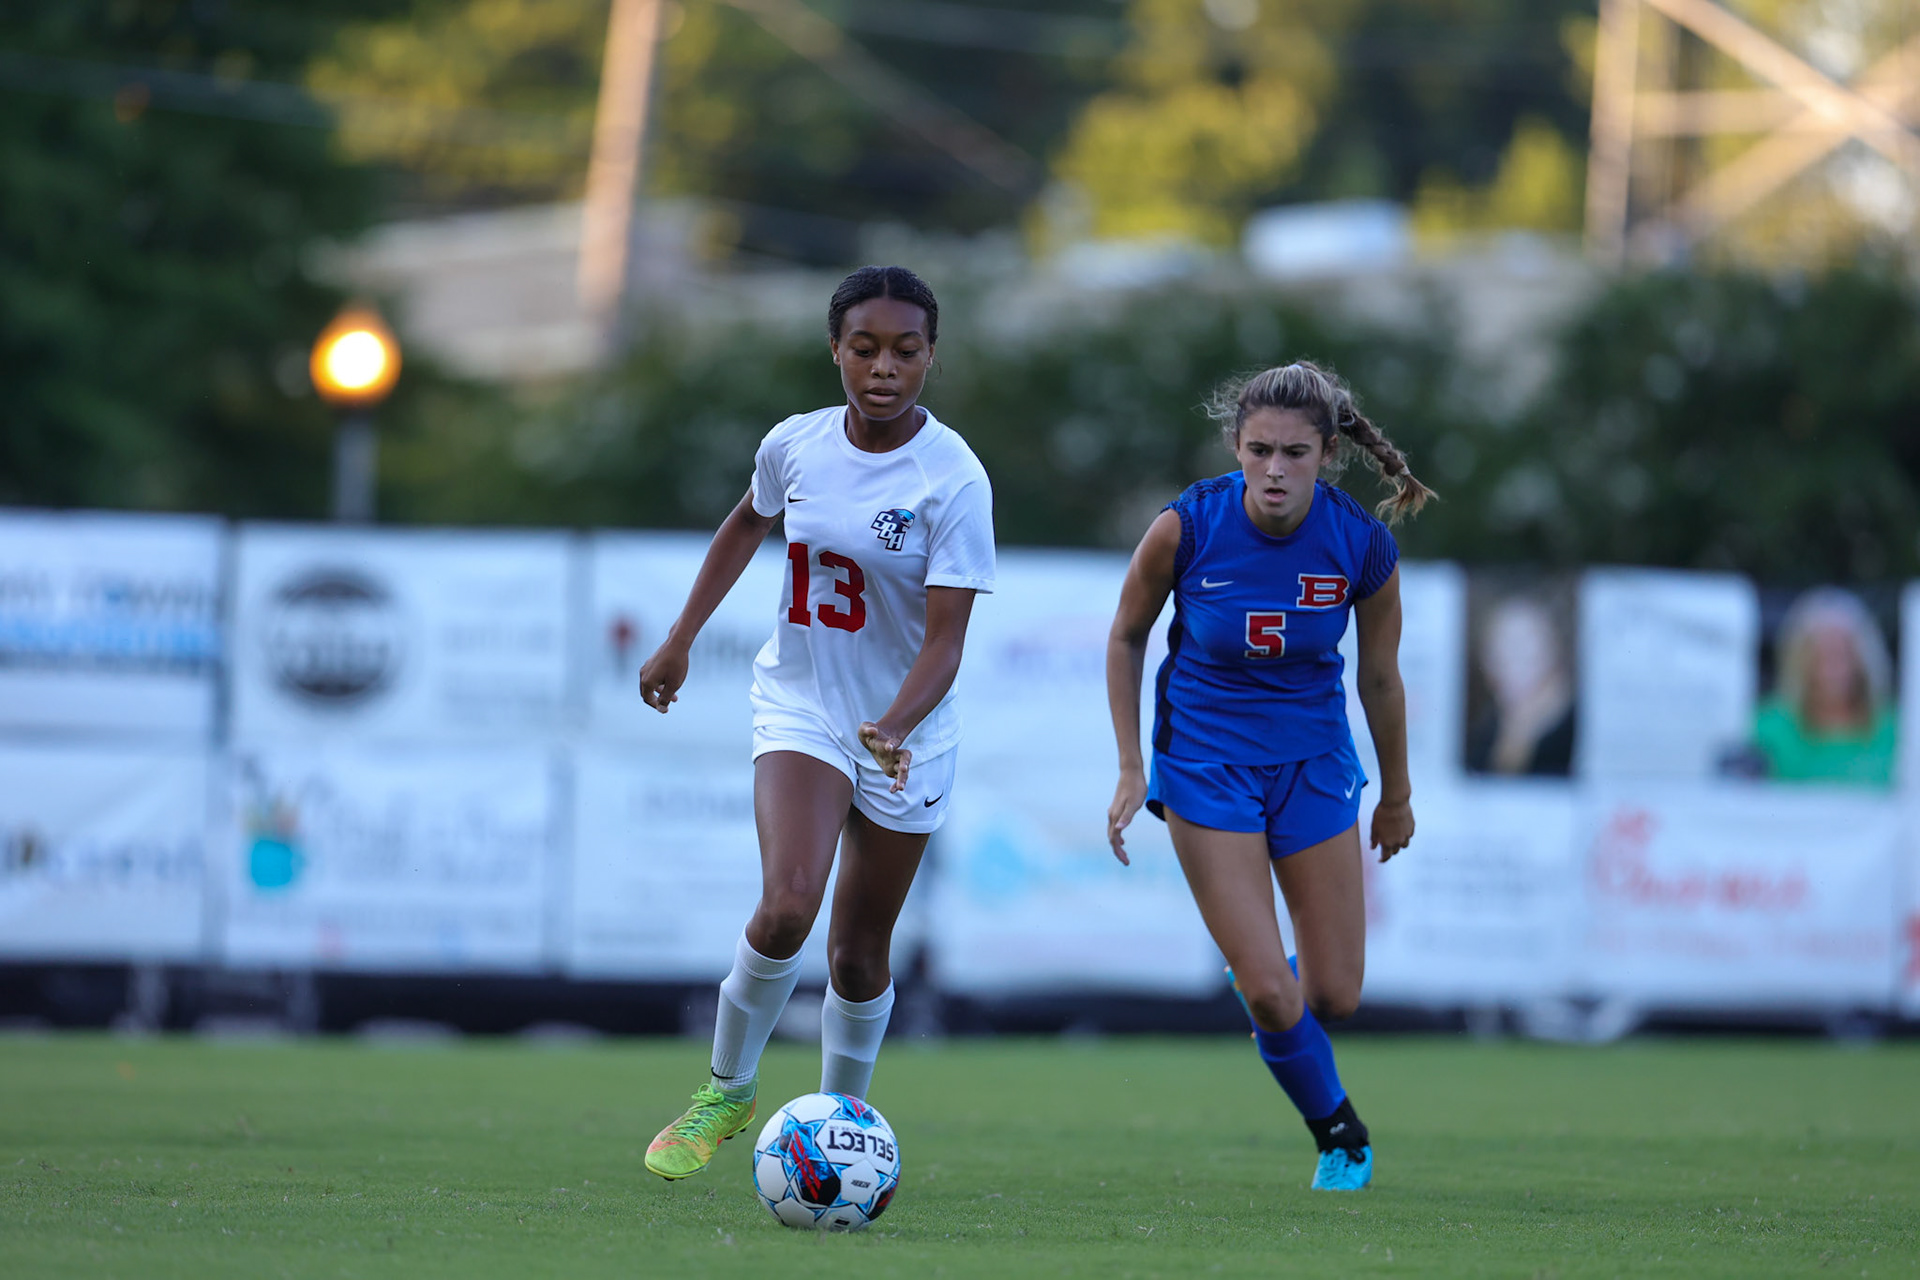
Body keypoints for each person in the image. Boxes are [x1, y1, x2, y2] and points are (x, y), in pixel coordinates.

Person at [635, 265, 995, 1181]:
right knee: (790, 901)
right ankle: (725, 1089)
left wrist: (895, 726)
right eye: (864, 348)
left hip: (908, 734)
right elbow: (742, 528)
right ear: (835, 350)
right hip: (801, 706)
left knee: (859, 953)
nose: (884, 368)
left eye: (905, 351)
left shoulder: (952, 477)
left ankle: (845, 1123)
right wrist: (680, 639)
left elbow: (946, 644)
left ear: (930, 359)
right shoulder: (794, 445)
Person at [1104, 360, 1433, 1192]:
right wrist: (1131, 766)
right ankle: (1340, 1135)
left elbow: (1382, 680)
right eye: (1259, 451)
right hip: (1206, 763)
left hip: (1316, 762)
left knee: (1334, 995)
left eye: (1294, 453)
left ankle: (1264, 981)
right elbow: (1126, 636)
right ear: (1236, 447)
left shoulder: (1363, 542)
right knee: (1273, 994)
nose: (1275, 470)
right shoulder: (1187, 527)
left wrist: (1396, 796)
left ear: (1328, 452)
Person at [1751, 587, 1896, 787]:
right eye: (1821, 656)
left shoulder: (1895, 733)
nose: (1833, 669)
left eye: (1842, 654)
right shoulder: (1766, 731)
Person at [1464, 592, 1576, 776]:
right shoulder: (1488, 727)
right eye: (1501, 642)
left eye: (1526, 641)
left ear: (1553, 650)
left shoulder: (1574, 730)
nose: (1512, 655)